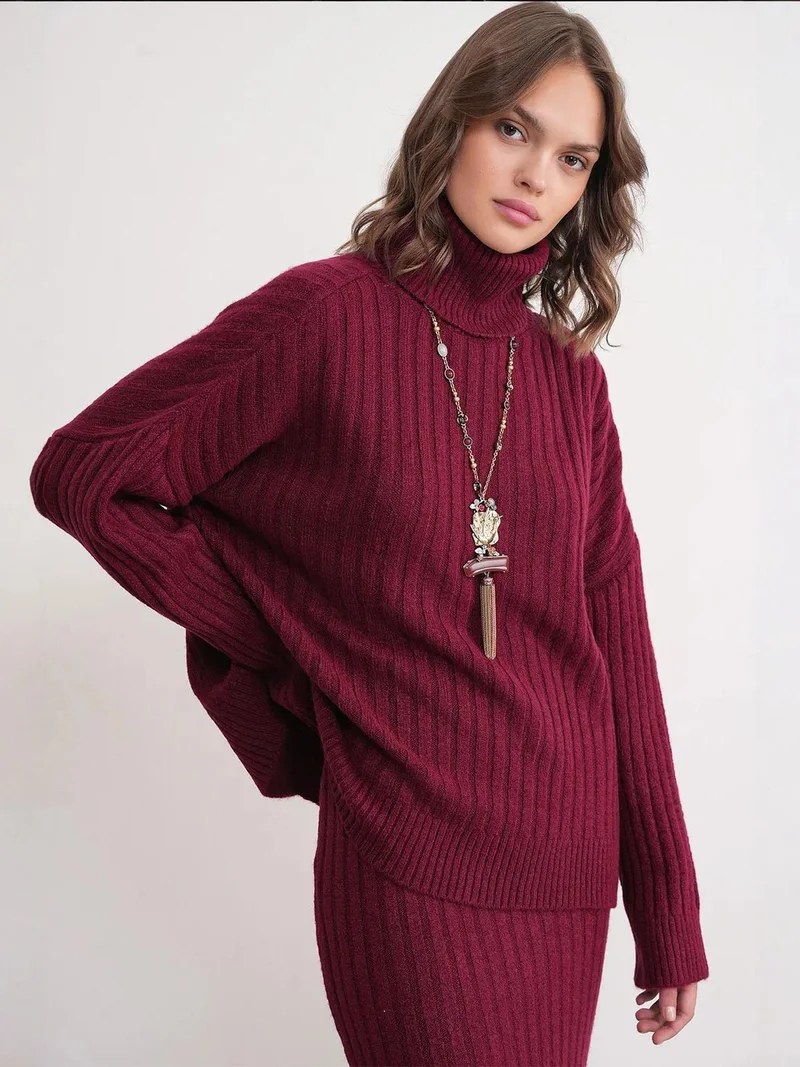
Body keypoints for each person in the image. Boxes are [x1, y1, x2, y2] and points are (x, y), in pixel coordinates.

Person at [29, 2, 709, 1064]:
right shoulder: (325, 316)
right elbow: (87, 473)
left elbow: (618, 640)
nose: (536, 176)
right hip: (409, 852)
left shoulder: (570, 379)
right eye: (514, 129)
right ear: (453, 121)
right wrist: (286, 636)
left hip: (565, 868)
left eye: (573, 158)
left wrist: (667, 905)